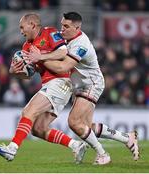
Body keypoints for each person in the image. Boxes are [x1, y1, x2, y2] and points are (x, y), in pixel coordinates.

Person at [26, 12, 139, 164]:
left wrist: (40, 58)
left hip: (91, 83)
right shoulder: (62, 37)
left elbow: (63, 66)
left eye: (66, 26)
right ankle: (127, 137)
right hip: (77, 85)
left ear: (77, 27)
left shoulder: (81, 44)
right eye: (62, 25)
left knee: (74, 122)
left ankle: (103, 154)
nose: (62, 29)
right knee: (85, 127)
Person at [0, 13, 87, 164]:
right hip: (51, 86)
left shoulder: (49, 33)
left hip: (60, 82)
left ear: (33, 25)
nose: (21, 31)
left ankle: (12, 149)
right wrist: (15, 72)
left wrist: (41, 56)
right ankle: (76, 145)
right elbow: (28, 75)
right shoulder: (26, 47)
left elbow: (63, 52)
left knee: (28, 111)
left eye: (22, 27)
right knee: (38, 129)